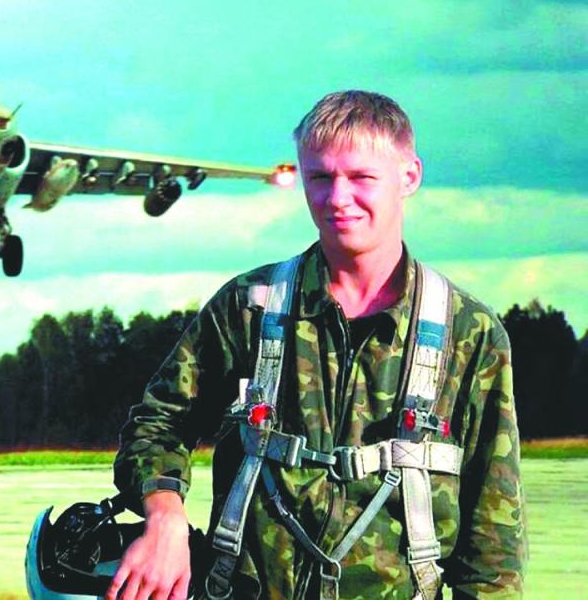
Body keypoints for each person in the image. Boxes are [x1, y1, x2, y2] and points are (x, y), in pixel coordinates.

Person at [108, 91, 526, 599]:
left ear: (409, 177)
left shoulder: (468, 332)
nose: (337, 198)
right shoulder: (251, 307)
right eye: (320, 178)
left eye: (362, 177)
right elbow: (157, 424)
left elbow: (494, 538)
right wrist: (165, 516)